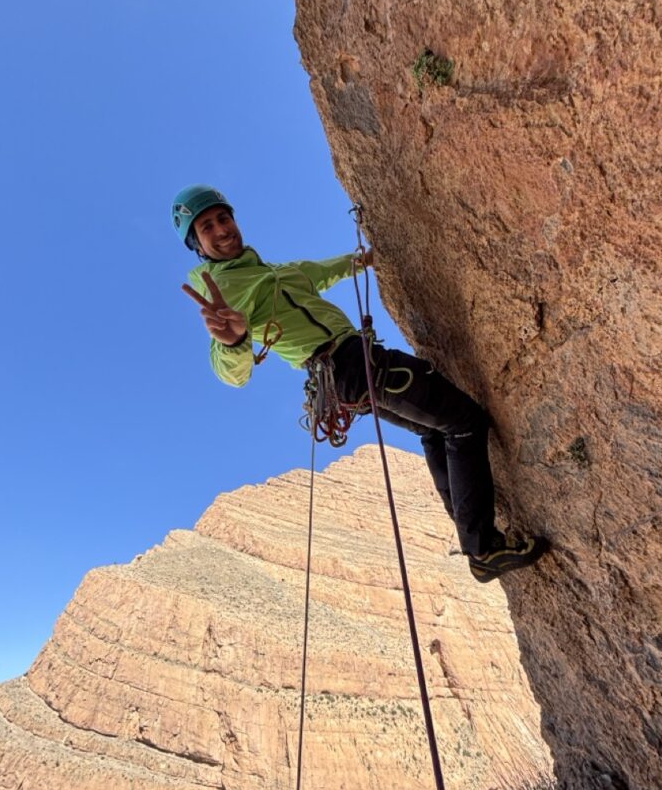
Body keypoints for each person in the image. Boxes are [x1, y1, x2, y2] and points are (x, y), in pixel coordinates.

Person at [174, 184, 548, 583]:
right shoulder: (220, 290)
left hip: (344, 380)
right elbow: (232, 372)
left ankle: (469, 523)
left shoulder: (279, 273)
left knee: (432, 430)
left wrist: (366, 258)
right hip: (348, 365)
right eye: (206, 227)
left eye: (223, 218)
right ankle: (482, 548)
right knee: (464, 422)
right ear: (197, 244)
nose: (221, 229)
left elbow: (324, 270)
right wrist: (233, 341)